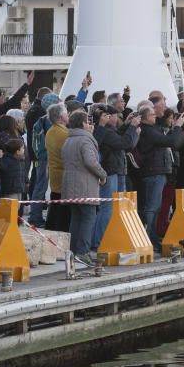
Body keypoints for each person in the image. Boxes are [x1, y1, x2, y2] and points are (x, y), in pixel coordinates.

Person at [91, 105, 140, 250]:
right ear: (107, 117)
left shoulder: (108, 130)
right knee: (108, 208)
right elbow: (124, 143)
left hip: (117, 171)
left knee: (114, 207)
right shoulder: (105, 131)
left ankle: (104, 239)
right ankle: (99, 241)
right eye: (115, 116)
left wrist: (126, 125)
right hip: (111, 171)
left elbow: (118, 137)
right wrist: (132, 127)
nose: (117, 118)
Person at [136, 106, 184, 245]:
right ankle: (147, 237)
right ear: (145, 117)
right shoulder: (148, 131)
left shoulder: (153, 129)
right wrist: (177, 127)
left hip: (159, 171)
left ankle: (152, 236)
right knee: (151, 207)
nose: (155, 117)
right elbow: (170, 142)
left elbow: (173, 142)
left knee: (157, 206)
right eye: (152, 115)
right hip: (153, 171)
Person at [61, 110, 107, 262]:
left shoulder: (69, 139)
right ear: (83, 124)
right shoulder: (85, 140)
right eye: (88, 122)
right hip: (85, 185)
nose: (90, 124)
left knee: (76, 219)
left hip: (70, 185)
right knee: (88, 219)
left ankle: (74, 252)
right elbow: (91, 161)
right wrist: (102, 174)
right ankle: (83, 252)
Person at [28, 93, 61, 227]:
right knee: (41, 187)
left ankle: (35, 216)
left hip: (41, 156)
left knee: (39, 186)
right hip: (47, 157)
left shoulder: (41, 120)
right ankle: (35, 217)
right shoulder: (50, 120)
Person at [45, 103, 71, 232]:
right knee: (62, 212)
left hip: (55, 174)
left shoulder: (51, 131)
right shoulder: (64, 134)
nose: (69, 115)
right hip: (63, 176)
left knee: (55, 208)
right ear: (61, 117)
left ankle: (50, 232)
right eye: (67, 113)